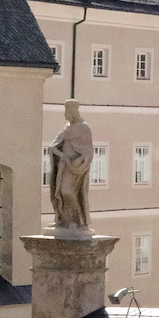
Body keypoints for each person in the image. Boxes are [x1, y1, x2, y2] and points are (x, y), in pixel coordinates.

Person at [49, 99, 94, 234]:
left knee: (67, 191)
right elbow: (52, 146)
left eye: (66, 111)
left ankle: (78, 221)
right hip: (64, 165)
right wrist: (61, 155)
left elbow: (88, 150)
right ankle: (64, 219)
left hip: (76, 167)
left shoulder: (84, 127)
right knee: (60, 193)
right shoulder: (66, 127)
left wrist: (80, 160)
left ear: (72, 112)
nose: (65, 114)